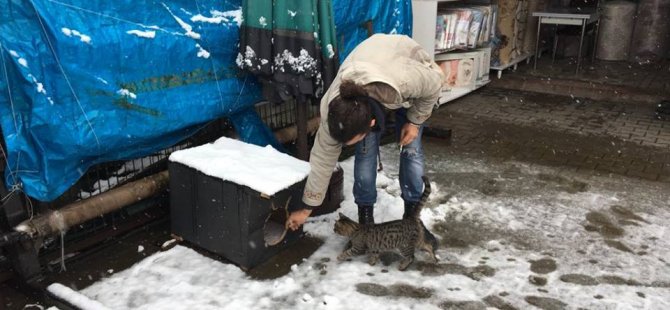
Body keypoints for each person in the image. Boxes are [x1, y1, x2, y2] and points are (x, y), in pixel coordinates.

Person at [286, 34, 444, 231]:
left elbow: (434, 84)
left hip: (403, 70)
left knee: (410, 149)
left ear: (371, 123)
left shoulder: (405, 81)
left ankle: (412, 215)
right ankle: (366, 218)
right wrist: (307, 207)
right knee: (364, 152)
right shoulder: (334, 111)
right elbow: (322, 160)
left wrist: (414, 122)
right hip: (369, 71)